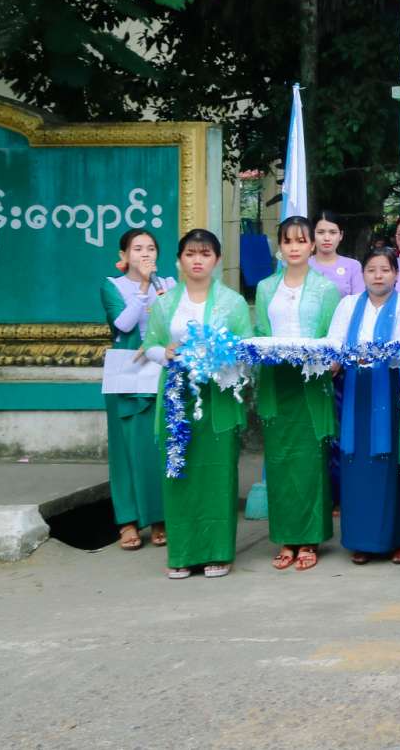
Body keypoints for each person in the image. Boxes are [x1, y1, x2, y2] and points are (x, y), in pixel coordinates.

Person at [146, 229, 253, 579]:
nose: (197, 260)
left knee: (217, 473)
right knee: (179, 473)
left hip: (217, 395)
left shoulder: (233, 303)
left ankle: (217, 552)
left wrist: (222, 355)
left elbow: (246, 348)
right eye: (190, 254)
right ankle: (182, 553)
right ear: (179, 260)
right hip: (178, 397)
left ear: (217, 260)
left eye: (205, 254)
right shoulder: (165, 303)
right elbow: (150, 345)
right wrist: (165, 352)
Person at [253, 216, 341, 572]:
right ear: (280, 245)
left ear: (312, 246)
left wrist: (329, 360)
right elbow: (261, 331)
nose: (294, 247)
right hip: (277, 381)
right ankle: (286, 537)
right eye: (287, 241)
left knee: (309, 459)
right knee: (279, 461)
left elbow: (332, 337)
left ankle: (309, 537)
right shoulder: (265, 288)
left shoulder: (326, 288)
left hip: (310, 382)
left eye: (301, 241)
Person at [327, 245, 400, 565]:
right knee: (357, 461)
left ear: (396, 274)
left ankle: (398, 539)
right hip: (357, 391)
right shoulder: (348, 305)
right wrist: (331, 363)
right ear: (362, 275)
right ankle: (362, 540)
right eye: (371, 270)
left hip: (392, 390)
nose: (378, 276)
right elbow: (334, 345)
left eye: (385, 270)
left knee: (393, 463)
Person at [101, 228, 174, 551]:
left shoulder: (168, 284)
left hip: (160, 370)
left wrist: (161, 295)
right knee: (126, 448)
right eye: (138, 248)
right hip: (128, 374)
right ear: (124, 256)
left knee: (157, 446)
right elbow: (123, 324)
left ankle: (159, 518)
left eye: (151, 248)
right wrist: (144, 287)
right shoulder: (112, 286)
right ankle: (128, 521)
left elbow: (176, 323)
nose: (145, 254)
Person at [308, 210, 365, 297]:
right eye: (320, 232)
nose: (327, 238)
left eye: (333, 232)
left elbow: (358, 300)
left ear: (341, 235)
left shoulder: (353, 266)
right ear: (312, 234)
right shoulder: (303, 265)